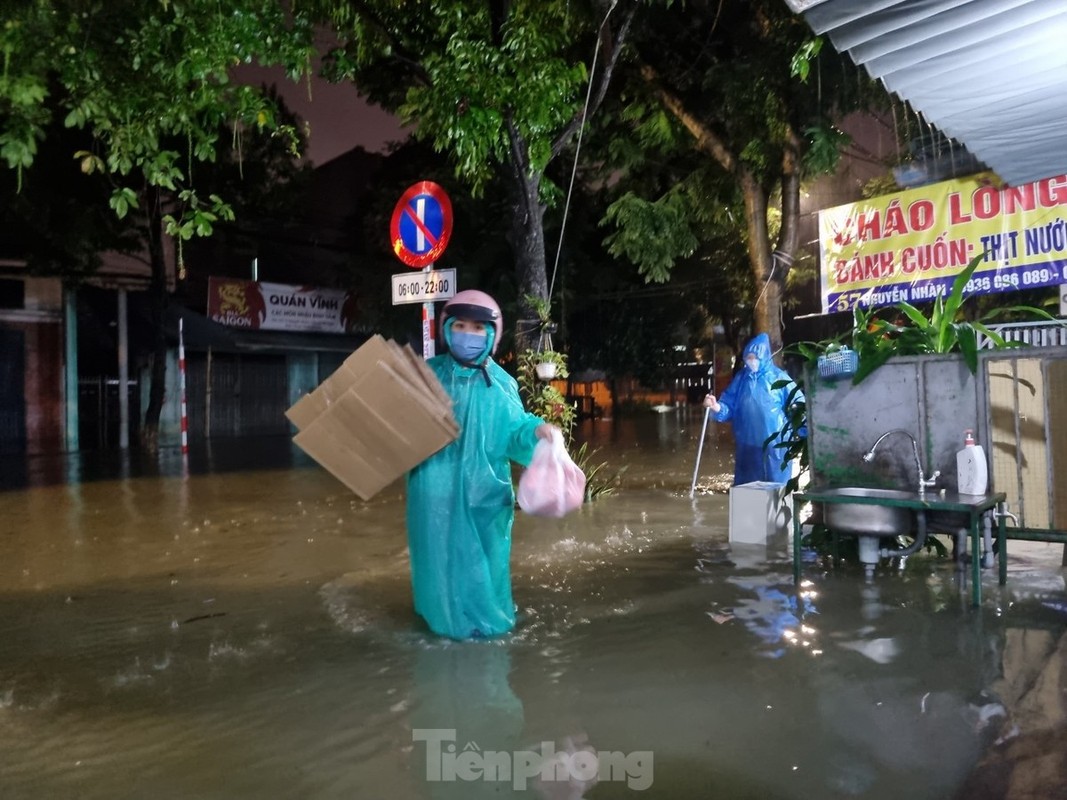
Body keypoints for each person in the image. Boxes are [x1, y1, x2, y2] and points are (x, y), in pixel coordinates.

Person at [406, 290, 556, 640]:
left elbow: (516, 432)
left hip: (484, 497)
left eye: (478, 327)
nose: (468, 334)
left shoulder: (500, 384)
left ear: (492, 333)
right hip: (433, 496)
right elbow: (400, 428)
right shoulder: (427, 376)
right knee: (437, 563)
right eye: (460, 325)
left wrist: (538, 431)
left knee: (484, 567)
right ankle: (440, 621)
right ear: (446, 329)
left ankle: (490, 626)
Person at [703, 332, 805, 486]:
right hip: (747, 445)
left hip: (776, 445)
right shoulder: (741, 379)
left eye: (755, 357)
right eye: (748, 358)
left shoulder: (779, 378)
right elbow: (728, 405)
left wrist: (804, 429)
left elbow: (798, 406)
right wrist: (715, 406)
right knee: (747, 490)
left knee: (777, 489)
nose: (751, 361)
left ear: (764, 357)